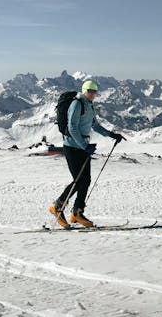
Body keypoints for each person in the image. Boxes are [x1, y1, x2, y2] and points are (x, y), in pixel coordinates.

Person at [49, 80, 125, 228]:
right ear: (84, 90)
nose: (93, 94)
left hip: (83, 147)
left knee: (86, 180)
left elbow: (94, 125)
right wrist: (84, 145)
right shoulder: (77, 103)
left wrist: (111, 135)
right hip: (72, 146)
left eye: (95, 91)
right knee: (78, 180)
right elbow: (72, 127)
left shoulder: (89, 105)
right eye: (90, 91)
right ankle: (57, 206)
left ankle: (77, 212)